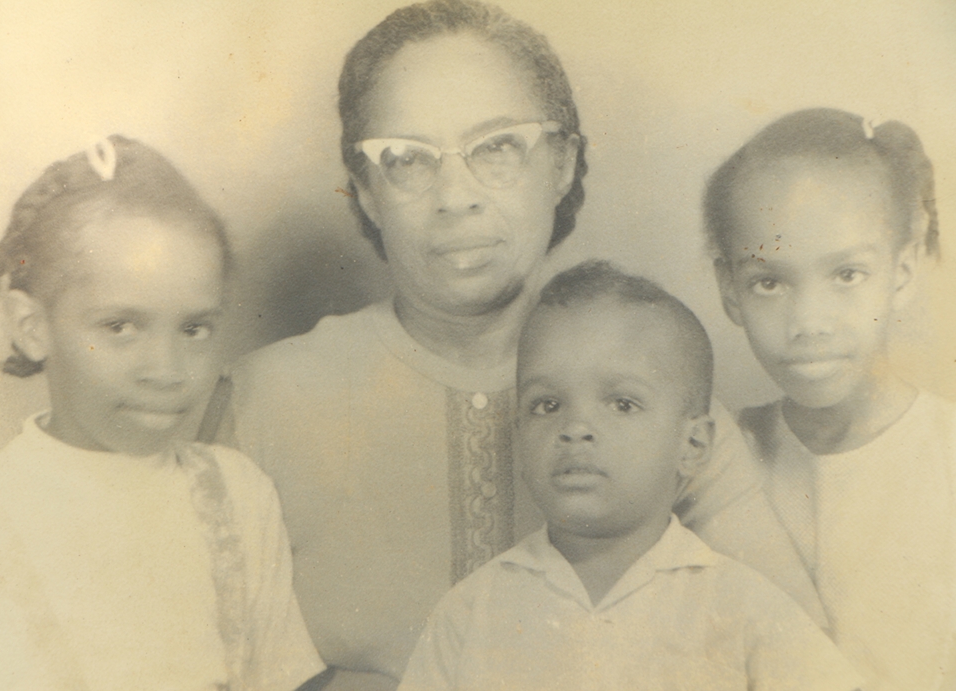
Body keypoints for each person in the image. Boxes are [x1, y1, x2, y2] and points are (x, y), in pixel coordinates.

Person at [217, 1, 821, 687]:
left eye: (497, 146)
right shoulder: (267, 401)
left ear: (562, 163)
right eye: (406, 159)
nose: (456, 197)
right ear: (365, 190)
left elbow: (794, 655)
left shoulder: (656, 389)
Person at [0, 136, 324, 691]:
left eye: (194, 329)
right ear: (32, 327)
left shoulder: (239, 495)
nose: (167, 369)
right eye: (120, 327)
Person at [398, 260, 863, 691]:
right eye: (547, 405)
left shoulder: (742, 608)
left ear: (693, 446)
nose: (575, 428)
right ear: (519, 436)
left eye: (623, 404)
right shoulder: (473, 612)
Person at [707, 108, 955, 691]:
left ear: (902, 271)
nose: (809, 323)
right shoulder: (716, 458)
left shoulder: (945, 456)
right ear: (730, 289)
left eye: (846, 275)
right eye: (770, 282)